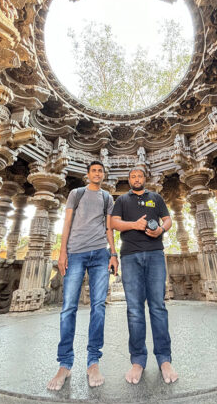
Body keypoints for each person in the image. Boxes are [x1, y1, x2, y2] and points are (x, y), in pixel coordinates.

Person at [47, 160, 118, 390]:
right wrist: (62, 252)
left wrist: (113, 254)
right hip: (75, 253)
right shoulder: (76, 194)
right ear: (88, 175)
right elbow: (66, 223)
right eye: (94, 171)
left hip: (100, 254)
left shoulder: (108, 198)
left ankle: (93, 362)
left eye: (100, 171)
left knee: (99, 306)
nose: (97, 174)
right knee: (68, 306)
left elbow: (109, 228)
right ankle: (65, 364)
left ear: (103, 175)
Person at [110, 167, 178, 384]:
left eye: (139, 176)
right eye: (133, 177)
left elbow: (167, 220)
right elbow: (113, 223)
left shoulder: (155, 198)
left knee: (158, 306)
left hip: (155, 254)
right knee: (134, 309)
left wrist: (161, 230)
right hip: (130, 256)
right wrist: (134, 225)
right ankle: (138, 360)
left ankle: (164, 359)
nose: (136, 179)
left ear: (144, 179)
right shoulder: (121, 200)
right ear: (129, 180)